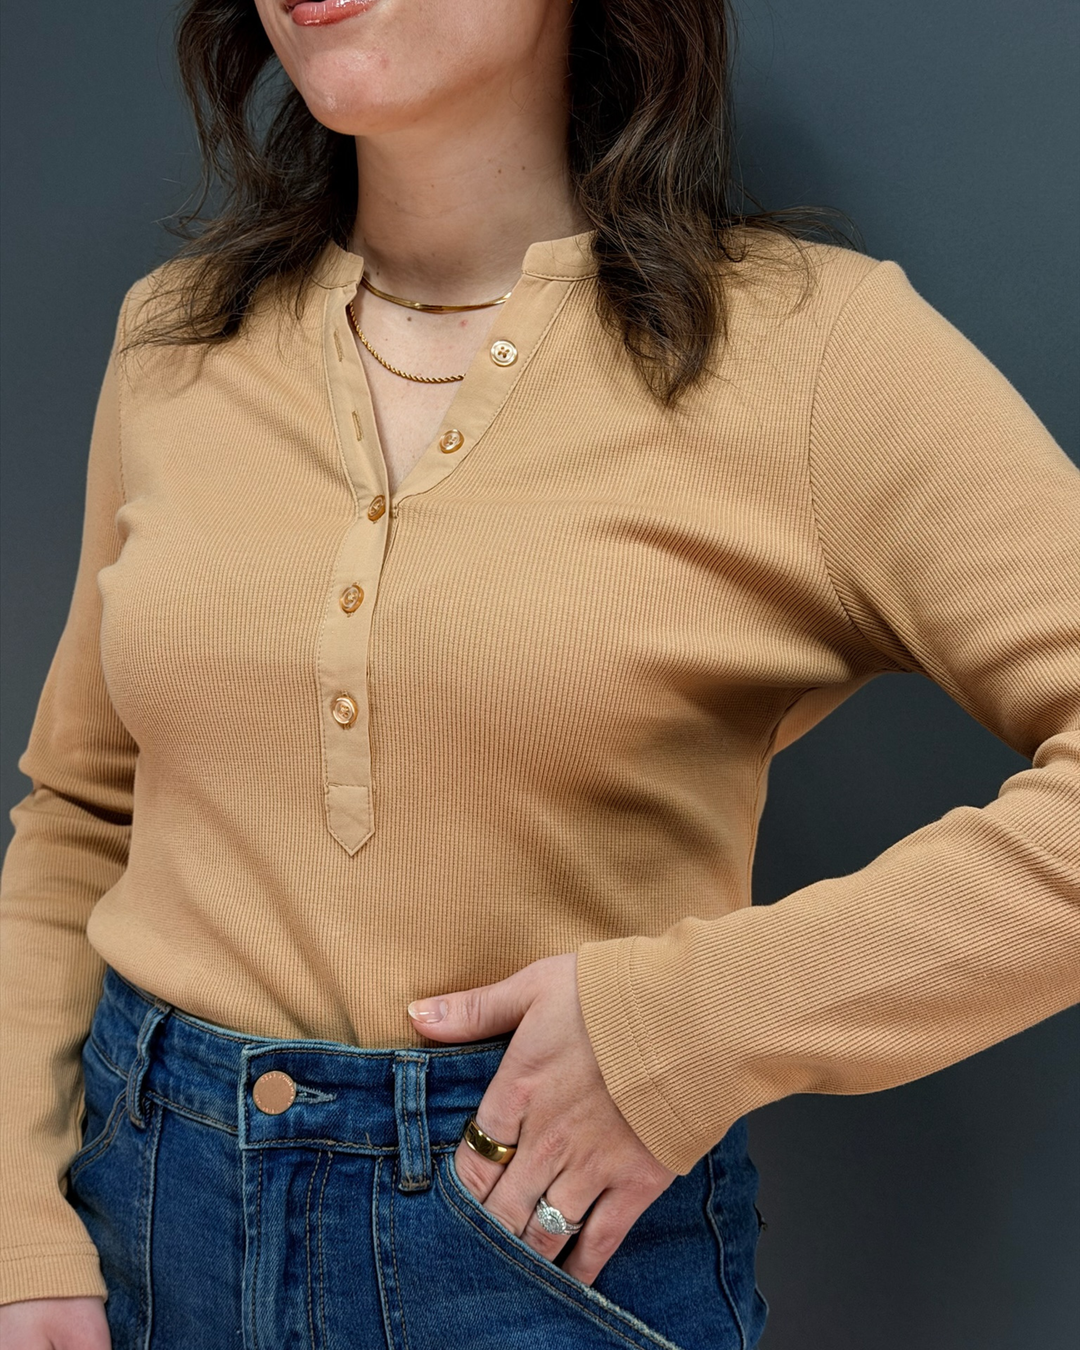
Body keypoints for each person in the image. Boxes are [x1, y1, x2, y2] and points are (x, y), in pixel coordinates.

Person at [2, 0, 1078, 1345]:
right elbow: (84, 816)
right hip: (143, 1224)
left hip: (539, 1251)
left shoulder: (810, 355)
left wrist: (694, 1024)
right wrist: (23, 1229)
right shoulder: (171, 341)